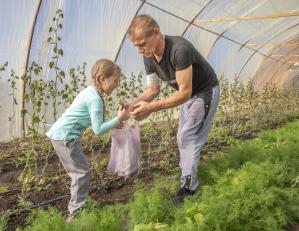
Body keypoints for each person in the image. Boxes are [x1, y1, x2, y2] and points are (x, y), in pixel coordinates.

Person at [127, 14, 220, 203]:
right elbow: (153, 89)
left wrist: (151, 108)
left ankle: (189, 189)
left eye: (142, 43)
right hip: (189, 95)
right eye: (136, 45)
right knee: (182, 136)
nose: (139, 50)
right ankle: (186, 174)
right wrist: (132, 104)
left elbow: (185, 93)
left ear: (156, 32)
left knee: (188, 137)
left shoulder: (180, 49)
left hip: (204, 92)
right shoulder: (149, 56)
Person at [46, 59, 129, 222]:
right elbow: (98, 130)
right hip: (65, 137)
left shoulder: (91, 92)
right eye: (115, 81)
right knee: (80, 173)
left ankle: (79, 205)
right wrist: (118, 119)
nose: (116, 85)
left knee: (80, 171)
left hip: (62, 135)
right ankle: (75, 213)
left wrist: (115, 123)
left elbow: (94, 123)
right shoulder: (95, 99)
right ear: (102, 78)